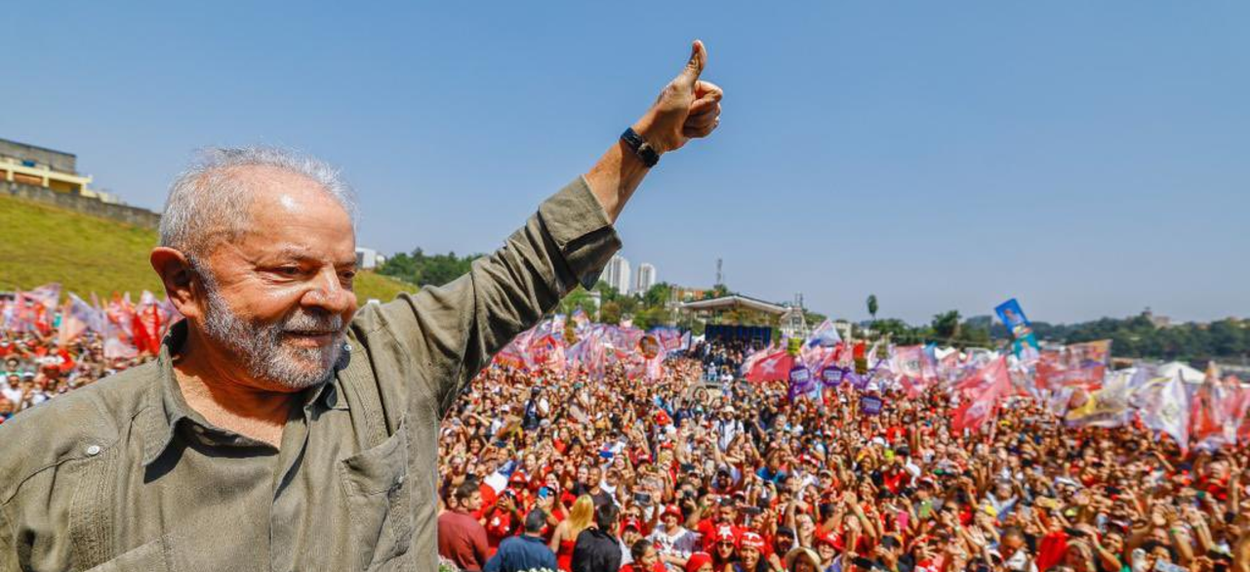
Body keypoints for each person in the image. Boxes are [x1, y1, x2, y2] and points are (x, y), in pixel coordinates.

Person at [0, 39, 723, 570]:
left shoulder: (389, 361)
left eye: (345, 273)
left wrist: (645, 145)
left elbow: (526, 268)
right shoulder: (42, 468)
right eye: (289, 269)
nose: (331, 299)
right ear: (183, 284)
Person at [485, 509, 561, 572]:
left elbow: (489, 568)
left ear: (525, 523)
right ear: (543, 527)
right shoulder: (546, 553)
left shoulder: (507, 544)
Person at [440, 480, 491, 572]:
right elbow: (486, 559)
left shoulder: (441, 519)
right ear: (464, 501)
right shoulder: (475, 527)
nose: (481, 501)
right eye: (476, 498)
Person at [573, 502, 625, 572]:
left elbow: (574, 565)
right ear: (613, 525)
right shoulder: (613, 550)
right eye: (619, 520)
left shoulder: (584, 535)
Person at [553, 495, 598, 571]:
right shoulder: (594, 528)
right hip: (582, 567)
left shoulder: (563, 525)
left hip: (562, 567)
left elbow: (552, 550)